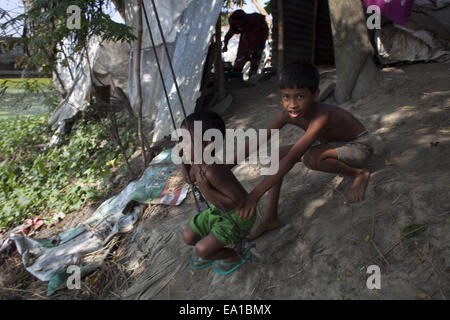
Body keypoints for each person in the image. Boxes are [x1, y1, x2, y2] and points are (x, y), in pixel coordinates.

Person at [236, 61, 373, 239]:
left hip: (358, 146)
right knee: (275, 155)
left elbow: (294, 157)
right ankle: (270, 217)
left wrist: (255, 195)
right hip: (330, 144)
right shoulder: (286, 115)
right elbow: (260, 139)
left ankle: (358, 174)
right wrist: (224, 165)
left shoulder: (322, 116)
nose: (292, 104)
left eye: (300, 97)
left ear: (315, 95)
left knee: (310, 158)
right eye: (286, 97)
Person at [179, 111, 256, 275]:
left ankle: (233, 255)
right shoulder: (197, 162)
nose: (181, 145)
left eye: (186, 141)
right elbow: (188, 180)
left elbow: (237, 202)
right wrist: (183, 161)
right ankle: (212, 249)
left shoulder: (213, 170)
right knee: (188, 236)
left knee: (201, 249)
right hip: (218, 210)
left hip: (237, 217)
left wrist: (206, 189)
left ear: (205, 144)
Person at [222, 9, 269, 77]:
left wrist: (253, 49)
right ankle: (236, 76)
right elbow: (229, 34)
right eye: (235, 24)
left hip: (258, 40)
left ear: (243, 20)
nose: (237, 25)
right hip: (247, 42)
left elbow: (261, 38)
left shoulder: (256, 22)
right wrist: (225, 45)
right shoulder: (238, 25)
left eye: (238, 23)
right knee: (240, 59)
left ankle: (252, 77)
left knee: (255, 60)